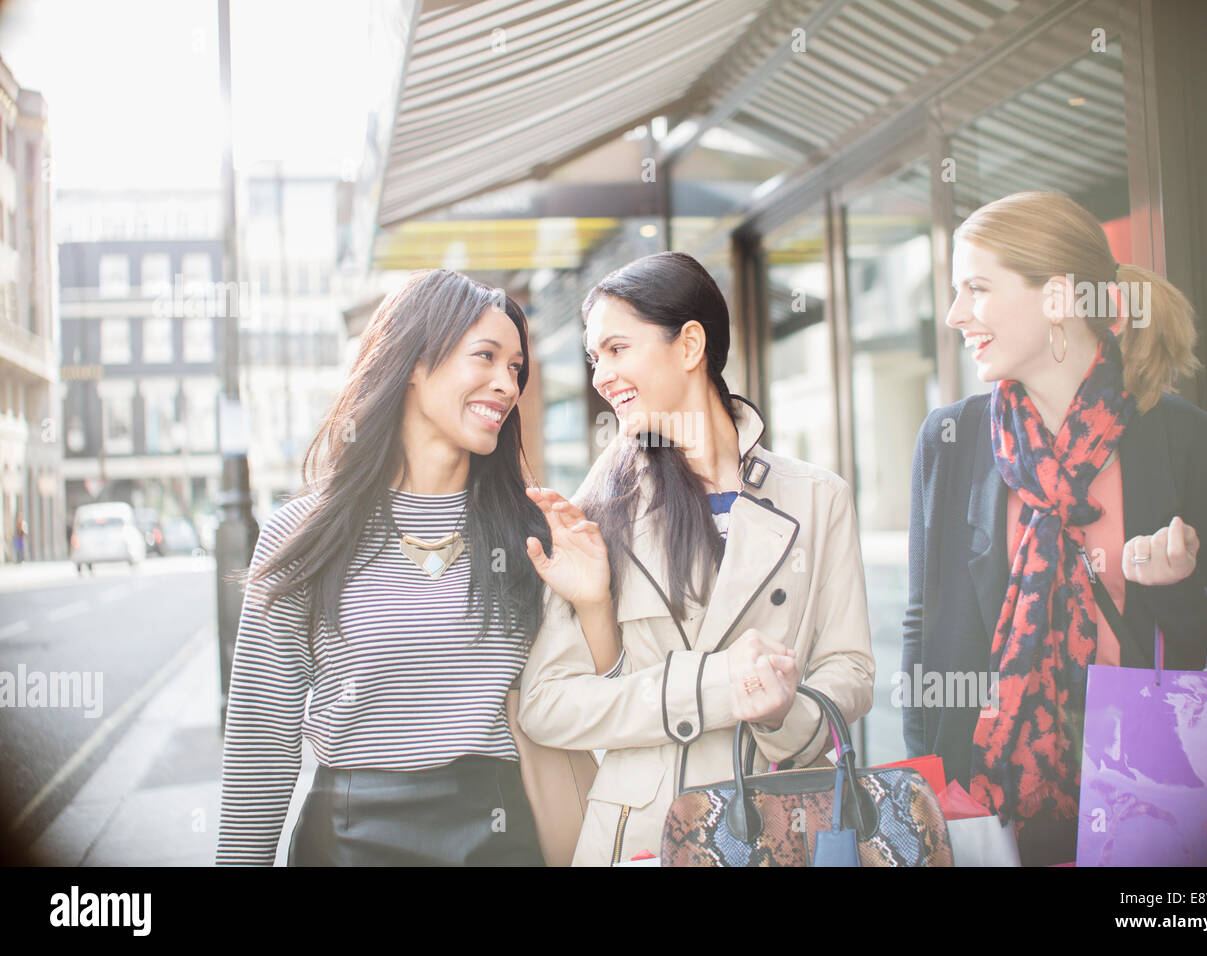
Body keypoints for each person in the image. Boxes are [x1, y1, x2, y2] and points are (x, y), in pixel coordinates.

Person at [903, 191, 1207, 866]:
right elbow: (925, 627)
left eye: (977, 288)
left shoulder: (1189, 441)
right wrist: (924, 798)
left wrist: (1175, 589)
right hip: (986, 813)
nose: (955, 315)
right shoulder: (951, 441)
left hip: (1154, 807)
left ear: (1059, 297)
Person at [517, 251, 875, 866]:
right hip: (639, 836)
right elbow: (547, 704)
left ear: (689, 345)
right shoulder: (598, 509)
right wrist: (716, 686)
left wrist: (783, 711)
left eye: (617, 349)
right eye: (594, 357)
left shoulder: (818, 498)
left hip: (777, 820)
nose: (601, 375)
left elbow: (851, 670)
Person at [216, 270, 562, 866]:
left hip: (499, 836)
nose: (506, 384)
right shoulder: (305, 534)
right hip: (349, 840)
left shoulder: (536, 534)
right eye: (485, 357)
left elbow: (581, 693)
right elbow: (262, 742)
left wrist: (598, 602)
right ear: (411, 363)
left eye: (516, 368)